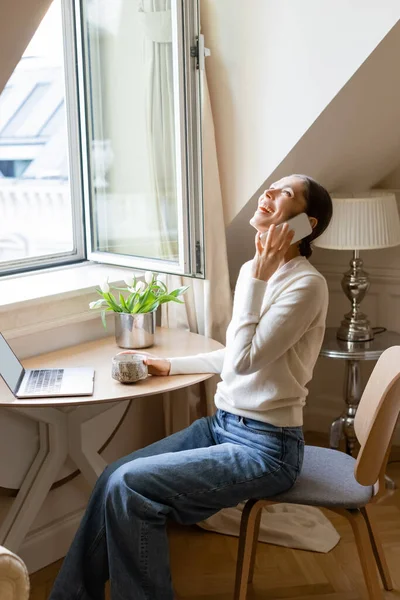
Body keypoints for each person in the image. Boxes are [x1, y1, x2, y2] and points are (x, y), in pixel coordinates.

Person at [49, 174, 333, 600]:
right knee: (113, 476)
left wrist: (257, 276)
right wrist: (171, 365)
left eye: (285, 193)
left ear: (306, 225)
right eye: (270, 187)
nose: (269, 193)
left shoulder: (305, 285)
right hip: (224, 427)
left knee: (131, 487)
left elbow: (243, 358)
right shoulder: (254, 273)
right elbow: (240, 354)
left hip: (268, 448)